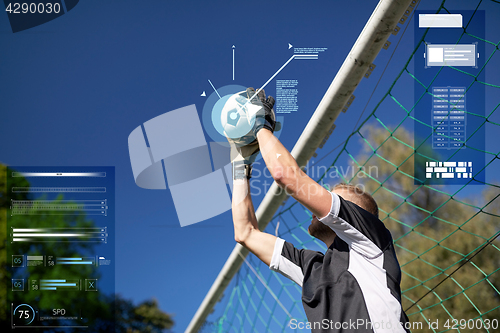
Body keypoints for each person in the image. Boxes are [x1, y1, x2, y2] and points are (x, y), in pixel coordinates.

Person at [227, 88, 410, 333]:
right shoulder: (311, 267)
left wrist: (260, 123)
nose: (324, 199)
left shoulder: (371, 240)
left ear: (355, 213)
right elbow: (245, 232)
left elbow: (285, 175)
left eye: (335, 196)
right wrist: (241, 166)